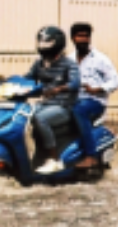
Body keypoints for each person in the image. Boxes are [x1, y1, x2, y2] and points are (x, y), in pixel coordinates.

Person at [26, 27, 82, 175]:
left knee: (40, 118)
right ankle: (34, 156)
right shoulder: (40, 63)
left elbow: (75, 83)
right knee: (23, 115)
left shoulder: (69, 64)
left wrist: (59, 89)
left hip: (64, 106)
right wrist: (8, 83)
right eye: (42, 42)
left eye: (48, 42)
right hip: (45, 104)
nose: (44, 46)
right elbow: (27, 79)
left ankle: (54, 159)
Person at [70, 23, 118, 169]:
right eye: (80, 36)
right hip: (74, 101)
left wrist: (97, 89)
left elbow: (116, 81)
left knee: (79, 110)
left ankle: (90, 156)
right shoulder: (69, 60)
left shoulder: (100, 59)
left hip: (94, 102)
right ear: (73, 38)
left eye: (86, 36)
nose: (84, 39)